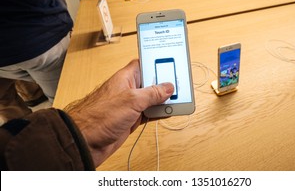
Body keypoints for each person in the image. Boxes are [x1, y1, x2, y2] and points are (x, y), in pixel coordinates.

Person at [0, 59, 174, 170]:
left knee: (7, 102)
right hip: (42, 43)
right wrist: (84, 129)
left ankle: (30, 103)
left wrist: (84, 136)